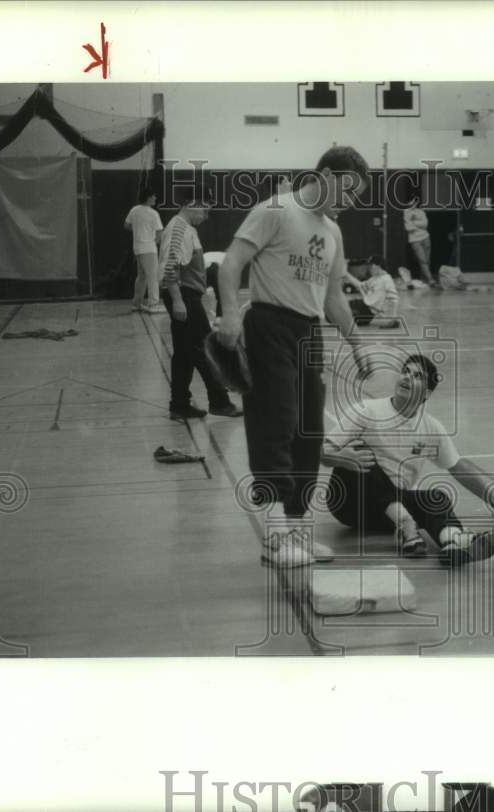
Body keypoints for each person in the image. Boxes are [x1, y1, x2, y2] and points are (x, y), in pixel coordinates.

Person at [216, 146, 374, 568]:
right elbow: (230, 265)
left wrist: (358, 344)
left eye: (357, 195)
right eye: (347, 189)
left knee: (308, 434)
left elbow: (334, 297)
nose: (349, 200)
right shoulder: (276, 210)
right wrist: (231, 313)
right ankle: (274, 537)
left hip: (309, 332)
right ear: (323, 175)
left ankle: (298, 533)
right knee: (275, 427)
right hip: (268, 326)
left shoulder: (334, 232)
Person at [322, 353, 494, 564]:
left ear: (427, 393)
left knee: (437, 497)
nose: (406, 378)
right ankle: (406, 526)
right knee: (359, 451)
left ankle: (453, 544)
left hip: (387, 512)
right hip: (349, 504)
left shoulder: (430, 427)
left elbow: (457, 466)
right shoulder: (367, 410)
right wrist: (344, 458)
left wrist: (493, 499)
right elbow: (322, 452)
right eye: (405, 371)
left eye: (417, 376)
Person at [159, 196, 243, 420]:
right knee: (205, 349)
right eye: (204, 211)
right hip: (184, 295)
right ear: (190, 204)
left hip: (186, 294)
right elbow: (170, 268)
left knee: (184, 354)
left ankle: (179, 404)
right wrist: (177, 300)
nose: (206, 217)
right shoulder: (179, 229)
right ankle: (219, 402)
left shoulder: (187, 228)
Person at [125, 187, 164, 314]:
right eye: (153, 196)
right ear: (148, 197)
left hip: (137, 248)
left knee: (141, 276)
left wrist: (138, 231)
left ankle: (136, 303)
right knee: (152, 277)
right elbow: (159, 232)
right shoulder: (153, 213)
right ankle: (154, 304)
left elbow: (127, 225)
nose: (155, 198)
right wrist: (154, 242)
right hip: (149, 248)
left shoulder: (134, 210)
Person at [346, 258, 400, 328]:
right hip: (364, 310)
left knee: (339, 314)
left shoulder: (386, 280)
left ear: (378, 266)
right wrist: (346, 275)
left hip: (364, 311)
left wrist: (392, 319)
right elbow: (360, 285)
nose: (369, 269)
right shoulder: (376, 278)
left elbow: (394, 299)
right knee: (341, 308)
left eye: (371, 266)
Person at [403, 195, 439, 289]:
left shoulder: (421, 211)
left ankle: (424, 280)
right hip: (415, 240)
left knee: (427, 260)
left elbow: (425, 224)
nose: (412, 203)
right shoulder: (406, 212)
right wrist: (419, 224)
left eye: (414, 202)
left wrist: (414, 222)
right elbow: (408, 228)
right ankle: (431, 280)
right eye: (411, 202)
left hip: (426, 237)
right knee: (422, 260)